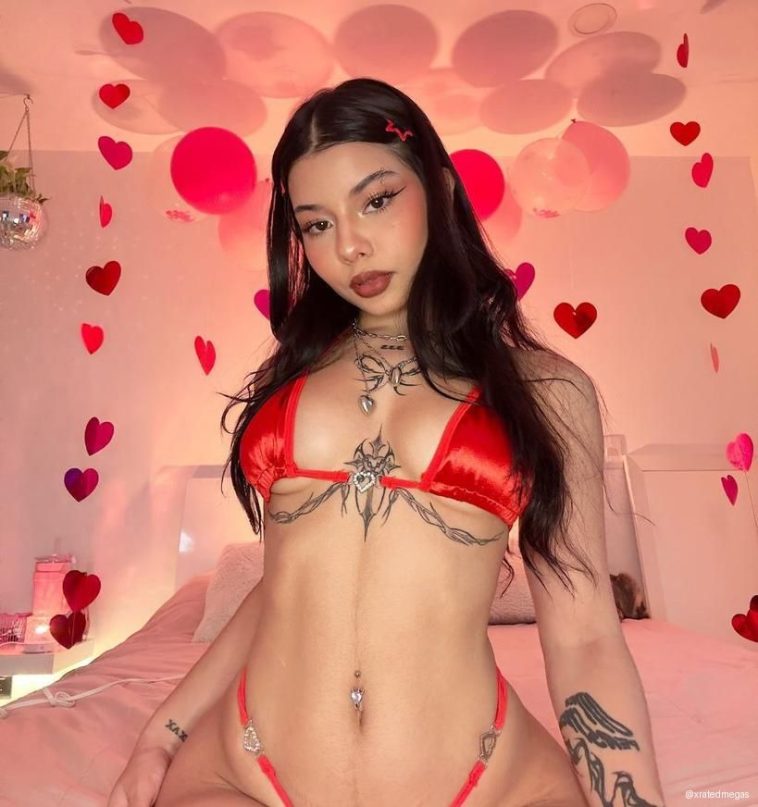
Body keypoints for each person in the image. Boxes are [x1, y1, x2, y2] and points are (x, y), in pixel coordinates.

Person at [109, 78, 666, 807]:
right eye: (316, 224)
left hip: (487, 784)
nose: (349, 246)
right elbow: (284, 584)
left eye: (376, 200)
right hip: (248, 774)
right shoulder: (290, 378)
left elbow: (586, 635)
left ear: (438, 188)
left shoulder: (547, 390)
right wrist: (160, 734)